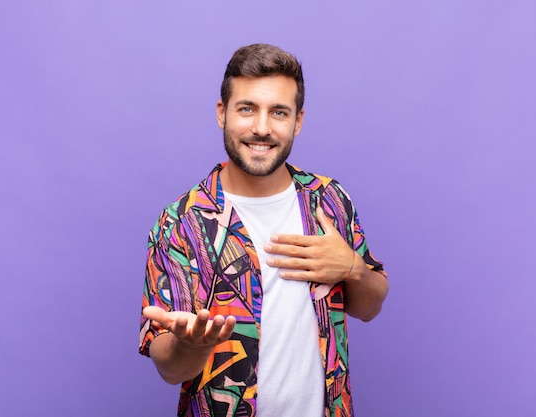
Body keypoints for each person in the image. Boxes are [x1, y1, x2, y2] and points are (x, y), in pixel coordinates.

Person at [139, 43, 388, 417]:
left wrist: (352, 267)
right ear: (222, 113)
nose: (261, 128)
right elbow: (170, 369)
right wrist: (189, 347)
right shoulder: (180, 222)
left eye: (278, 112)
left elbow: (369, 307)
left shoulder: (329, 200)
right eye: (247, 109)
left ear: (298, 121)